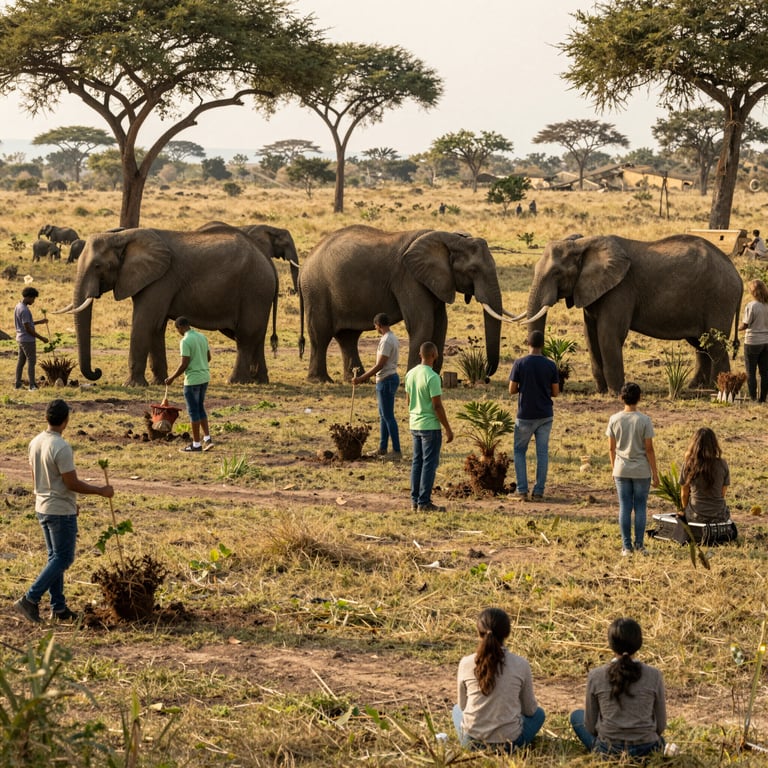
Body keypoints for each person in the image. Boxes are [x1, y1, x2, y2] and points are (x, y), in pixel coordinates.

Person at [14, 399, 114, 623]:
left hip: (43, 506)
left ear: (46, 417)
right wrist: (101, 491)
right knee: (63, 558)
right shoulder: (61, 446)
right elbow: (71, 483)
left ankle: (58, 607)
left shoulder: (36, 442)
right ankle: (30, 599)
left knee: (54, 557)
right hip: (59, 510)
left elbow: (36, 477)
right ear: (66, 421)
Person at [570, 617, 666, 758]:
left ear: (611, 644)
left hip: (608, 750)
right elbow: (661, 725)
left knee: (576, 716)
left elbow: (590, 726)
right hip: (647, 750)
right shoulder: (654, 675)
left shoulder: (595, 675)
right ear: (639, 643)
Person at [453, 607, 545, 753]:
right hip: (509, 743)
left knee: (456, 709)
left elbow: (463, 706)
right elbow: (530, 710)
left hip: (472, 742)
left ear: (479, 632)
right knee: (539, 714)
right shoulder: (521, 664)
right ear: (507, 633)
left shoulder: (465, 663)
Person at [606, 382, 659, 556]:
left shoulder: (614, 419)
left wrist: (614, 468)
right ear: (639, 398)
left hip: (621, 469)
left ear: (622, 398)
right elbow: (649, 449)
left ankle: (626, 547)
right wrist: (655, 474)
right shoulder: (644, 420)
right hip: (642, 470)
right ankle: (640, 545)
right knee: (641, 507)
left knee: (625, 507)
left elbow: (611, 448)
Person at [508, 330, 559, 501]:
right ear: (543, 345)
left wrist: (524, 387)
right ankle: (538, 491)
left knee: (519, 451)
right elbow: (556, 392)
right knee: (542, 453)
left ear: (527, 343)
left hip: (525, 415)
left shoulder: (520, 363)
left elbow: (511, 389)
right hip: (545, 414)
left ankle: (522, 490)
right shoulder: (550, 365)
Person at [404, 341, 453, 512]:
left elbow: (408, 400)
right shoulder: (433, 377)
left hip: (415, 423)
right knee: (429, 464)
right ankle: (424, 502)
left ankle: (414, 501)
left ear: (420, 355)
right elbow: (437, 406)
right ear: (435, 355)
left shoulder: (410, 374)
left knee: (417, 463)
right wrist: (447, 428)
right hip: (430, 426)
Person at [352, 313, 401, 460]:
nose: (375, 328)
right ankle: (382, 448)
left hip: (386, 379)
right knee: (383, 416)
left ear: (378, 325)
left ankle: (397, 451)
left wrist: (362, 378)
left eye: (375, 326)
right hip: (387, 378)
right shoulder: (392, 338)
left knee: (388, 416)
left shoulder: (386, 341)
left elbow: (380, 364)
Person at [165, 317, 213, 452]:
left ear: (180, 327)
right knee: (200, 408)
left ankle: (196, 444)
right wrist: (200, 364)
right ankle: (207, 438)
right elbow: (208, 357)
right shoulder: (202, 336)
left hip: (192, 381)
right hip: (205, 377)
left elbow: (184, 364)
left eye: (177, 330)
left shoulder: (185, 341)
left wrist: (172, 377)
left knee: (193, 412)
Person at [679, 427, 729, 524]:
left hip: (695, 517)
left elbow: (684, 495)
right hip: (719, 517)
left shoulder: (688, 464)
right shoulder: (723, 464)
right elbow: (722, 494)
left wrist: (685, 511)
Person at [738, 279, 768, 402]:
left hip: (752, 341)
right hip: (766, 341)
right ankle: (763, 398)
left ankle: (753, 398)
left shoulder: (751, 306)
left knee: (751, 371)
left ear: (753, 292)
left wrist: (737, 328)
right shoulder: (767, 305)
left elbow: (745, 324)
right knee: (765, 372)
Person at [14, 286, 48, 390]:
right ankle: (32, 385)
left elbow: (26, 323)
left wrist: (39, 322)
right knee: (31, 361)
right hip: (27, 339)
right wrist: (41, 338)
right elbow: (28, 328)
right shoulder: (24, 310)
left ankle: (18, 383)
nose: (33, 301)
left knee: (21, 361)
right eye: (33, 298)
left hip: (20, 338)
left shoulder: (18, 306)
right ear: (28, 297)